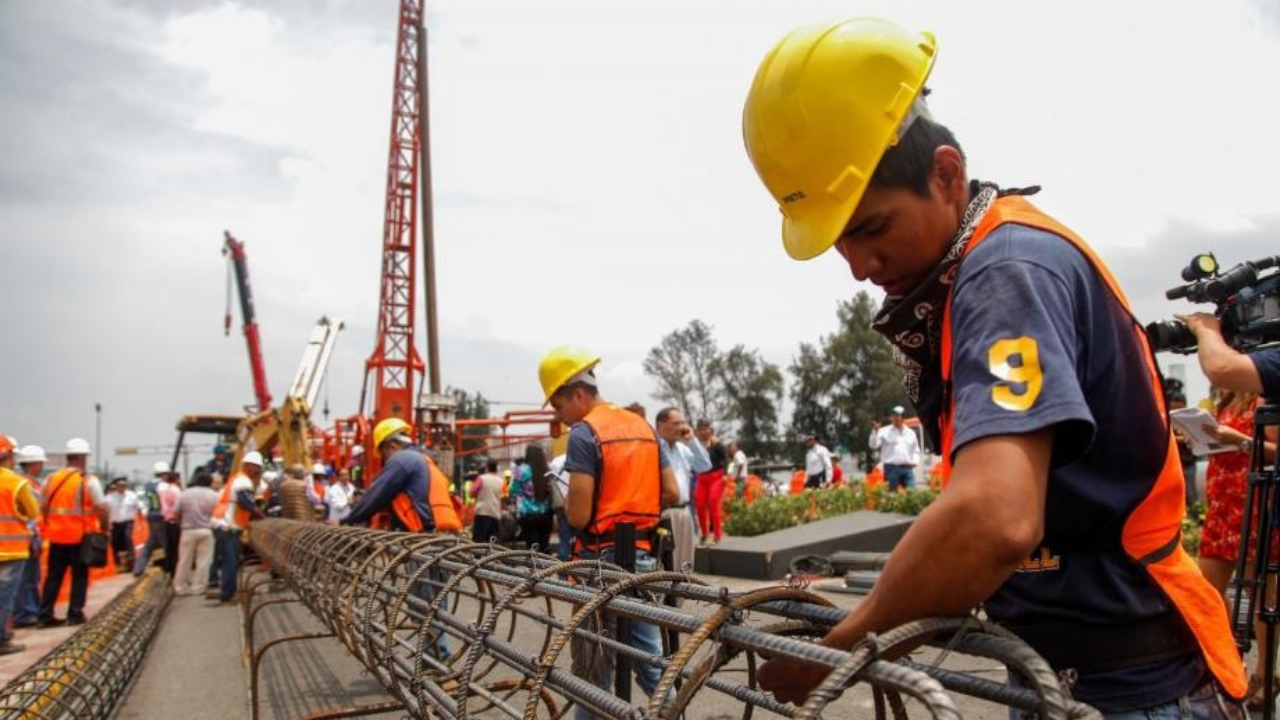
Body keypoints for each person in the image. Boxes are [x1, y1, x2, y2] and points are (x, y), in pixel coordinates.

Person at [743, 17, 1246, 712]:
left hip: (1127, 688)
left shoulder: (1005, 269)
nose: (858, 266)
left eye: (871, 227)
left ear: (946, 174)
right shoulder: (985, 267)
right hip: (1066, 674)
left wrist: (842, 651)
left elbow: (994, 520)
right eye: (839, 242)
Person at [537, 345, 679, 720]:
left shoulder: (585, 434)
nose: (560, 417)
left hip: (600, 563)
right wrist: (633, 503)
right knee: (650, 662)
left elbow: (580, 516)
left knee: (593, 668)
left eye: (558, 406)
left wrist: (574, 502)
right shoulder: (643, 427)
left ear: (578, 395)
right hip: (644, 556)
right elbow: (672, 493)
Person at [342, 418, 461, 535]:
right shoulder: (425, 460)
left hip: (422, 535)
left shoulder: (402, 459)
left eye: (384, 454)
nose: (385, 459)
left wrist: (347, 520)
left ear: (391, 446)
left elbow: (376, 496)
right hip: (440, 532)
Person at [39, 438, 109, 626]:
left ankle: (45, 614)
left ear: (67, 457)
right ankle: (74, 613)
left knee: (54, 576)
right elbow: (101, 508)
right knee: (79, 576)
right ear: (84, 458)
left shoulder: (51, 479)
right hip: (79, 537)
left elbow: (43, 506)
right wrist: (104, 528)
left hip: (56, 536)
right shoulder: (88, 480)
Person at [654, 407, 709, 575]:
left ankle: (680, 600)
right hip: (665, 511)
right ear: (661, 425)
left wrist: (692, 440)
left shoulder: (683, 449)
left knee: (685, 562)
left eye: (683, 423)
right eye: (676, 423)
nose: (681, 427)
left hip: (685, 511)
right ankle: (666, 600)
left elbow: (704, 465)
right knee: (666, 562)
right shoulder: (655, 447)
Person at [0, 435, 40, 654]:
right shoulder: (16, 482)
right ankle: (1, 639)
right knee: (5, 598)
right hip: (11, 550)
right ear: (8, 456)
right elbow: (33, 511)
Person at [211, 451, 265, 603]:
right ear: (250, 466)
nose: (258, 471)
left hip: (223, 523)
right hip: (228, 525)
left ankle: (225, 590)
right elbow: (246, 502)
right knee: (231, 561)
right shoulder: (243, 481)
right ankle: (227, 594)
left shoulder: (236, 478)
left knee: (227, 560)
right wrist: (261, 516)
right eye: (257, 468)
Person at [11, 445, 47, 628]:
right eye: (40, 463)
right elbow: (30, 514)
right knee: (26, 578)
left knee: (31, 577)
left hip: (25, 537)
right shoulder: (25, 484)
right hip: (25, 538)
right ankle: (25, 613)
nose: (41, 467)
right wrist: (34, 538)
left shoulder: (30, 483)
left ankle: (30, 609)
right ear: (32, 464)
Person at [173, 471, 219, 596]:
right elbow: (218, 514)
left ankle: (180, 587)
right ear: (210, 482)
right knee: (203, 561)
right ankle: (198, 588)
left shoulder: (184, 494)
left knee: (184, 560)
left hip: (187, 530)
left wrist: (180, 523)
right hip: (206, 530)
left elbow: (175, 513)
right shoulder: (215, 495)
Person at [868, 406, 922, 491]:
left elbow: (916, 450)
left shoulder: (910, 433)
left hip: (907, 468)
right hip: (891, 469)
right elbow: (873, 445)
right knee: (892, 495)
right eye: (893, 416)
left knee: (912, 493)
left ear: (903, 417)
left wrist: (915, 461)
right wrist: (875, 432)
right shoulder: (884, 431)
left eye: (898, 415)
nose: (895, 418)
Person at [511, 446, 553, 552]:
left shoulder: (521, 471)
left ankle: (536, 568)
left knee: (533, 548)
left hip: (528, 514)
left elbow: (514, 491)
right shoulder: (547, 470)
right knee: (545, 546)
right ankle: (548, 567)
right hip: (546, 514)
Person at [694, 420, 728, 545]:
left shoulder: (716, 444)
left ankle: (717, 534)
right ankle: (704, 533)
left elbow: (726, 459)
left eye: (705, 428)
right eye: (700, 429)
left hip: (716, 477)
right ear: (697, 431)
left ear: (710, 430)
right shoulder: (696, 445)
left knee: (713, 502)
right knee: (700, 505)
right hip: (702, 478)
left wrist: (725, 475)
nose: (703, 431)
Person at [133, 461, 170, 576]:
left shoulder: (147, 486)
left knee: (151, 543)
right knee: (166, 544)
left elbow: (139, 501)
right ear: (164, 473)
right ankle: (170, 568)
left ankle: (138, 568)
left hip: (151, 516)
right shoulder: (164, 486)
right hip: (161, 517)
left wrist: (145, 511)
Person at [104, 476, 143, 572]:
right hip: (115, 523)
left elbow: (138, 508)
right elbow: (106, 511)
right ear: (116, 486)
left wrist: (141, 520)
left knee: (127, 538)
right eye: (120, 485)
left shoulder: (132, 495)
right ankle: (119, 564)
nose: (122, 487)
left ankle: (131, 561)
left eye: (124, 485)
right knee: (116, 542)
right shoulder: (109, 498)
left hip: (128, 521)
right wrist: (107, 524)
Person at [470, 460, 504, 544]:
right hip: (495, 514)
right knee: (492, 543)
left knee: (478, 541)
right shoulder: (501, 481)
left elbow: (471, 492)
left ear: (487, 468)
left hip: (482, 513)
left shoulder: (482, 478)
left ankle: (477, 557)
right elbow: (504, 496)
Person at [158, 469, 182, 575]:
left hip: (167, 520)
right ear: (177, 479)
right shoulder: (176, 491)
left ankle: (169, 568)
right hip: (175, 520)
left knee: (170, 547)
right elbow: (178, 507)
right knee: (177, 547)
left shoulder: (165, 490)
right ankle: (175, 569)